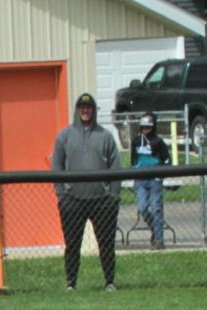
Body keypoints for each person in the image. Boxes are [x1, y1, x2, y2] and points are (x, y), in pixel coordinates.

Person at [51, 93, 121, 291]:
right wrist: (61, 194)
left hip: (102, 201)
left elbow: (116, 167)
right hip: (72, 200)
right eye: (82, 107)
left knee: (106, 244)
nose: (85, 110)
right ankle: (71, 283)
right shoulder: (64, 136)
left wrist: (114, 196)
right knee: (72, 245)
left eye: (89, 107)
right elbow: (56, 164)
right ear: (77, 109)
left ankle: (109, 281)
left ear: (93, 110)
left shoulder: (105, 136)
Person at [131, 111, 170, 249]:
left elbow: (166, 160)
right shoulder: (136, 141)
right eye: (143, 127)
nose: (145, 130)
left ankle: (159, 241)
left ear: (153, 127)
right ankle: (155, 229)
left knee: (156, 208)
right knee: (142, 208)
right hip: (140, 180)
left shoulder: (159, 142)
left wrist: (161, 175)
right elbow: (133, 160)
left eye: (148, 127)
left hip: (155, 180)